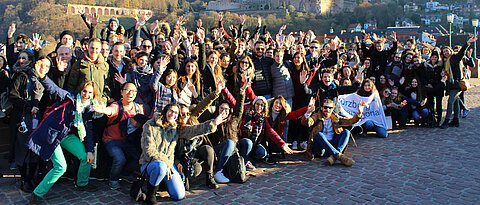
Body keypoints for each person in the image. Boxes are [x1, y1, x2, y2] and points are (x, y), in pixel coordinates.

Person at [27, 60, 99, 204]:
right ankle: (37, 194)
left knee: (86, 157)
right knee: (61, 167)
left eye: (90, 93)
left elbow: (89, 130)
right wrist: (43, 77)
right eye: (84, 91)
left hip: (67, 136)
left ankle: (82, 184)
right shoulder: (69, 97)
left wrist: (90, 150)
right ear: (80, 90)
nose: (86, 94)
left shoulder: (89, 109)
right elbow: (54, 89)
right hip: (53, 135)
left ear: (93, 95)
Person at [139, 103, 226, 203]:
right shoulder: (150, 125)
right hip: (150, 164)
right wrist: (166, 164)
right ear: (165, 111)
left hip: (168, 165)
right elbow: (149, 151)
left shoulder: (175, 128)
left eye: (176, 113)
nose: (172, 114)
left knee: (179, 195)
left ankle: (161, 182)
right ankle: (151, 194)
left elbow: (193, 130)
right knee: (161, 167)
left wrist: (213, 123)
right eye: (171, 111)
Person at [92, 83, 146, 190]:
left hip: (128, 141)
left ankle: (124, 174)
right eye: (127, 90)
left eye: (133, 91)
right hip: (112, 139)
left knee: (139, 158)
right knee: (120, 159)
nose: (131, 93)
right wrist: (103, 110)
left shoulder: (138, 108)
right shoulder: (117, 106)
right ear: (121, 92)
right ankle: (113, 179)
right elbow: (110, 111)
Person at [9, 55, 46, 193]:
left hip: (39, 118)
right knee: (22, 149)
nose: (44, 68)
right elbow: (12, 95)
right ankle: (24, 179)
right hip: (23, 118)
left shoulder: (44, 79)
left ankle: (32, 177)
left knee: (35, 149)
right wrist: (28, 106)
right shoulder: (21, 76)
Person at [302, 98, 365, 166]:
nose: (328, 110)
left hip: (332, 145)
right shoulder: (316, 116)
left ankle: (335, 156)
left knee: (346, 132)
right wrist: (308, 112)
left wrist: (359, 113)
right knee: (319, 135)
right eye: (325, 107)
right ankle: (339, 156)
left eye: (330, 108)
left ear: (333, 109)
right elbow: (307, 123)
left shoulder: (335, 117)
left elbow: (350, 121)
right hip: (320, 150)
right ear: (321, 108)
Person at [238, 96, 293, 170]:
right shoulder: (247, 113)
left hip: (254, 144)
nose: (259, 107)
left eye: (262, 105)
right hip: (243, 142)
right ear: (254, 104)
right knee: (248, 142)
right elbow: (235, 102)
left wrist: (282, 144)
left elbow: (271, 131)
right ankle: (246, 161)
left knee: (262, 152)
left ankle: (249, 156)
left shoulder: (262, 118)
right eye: (257, 104)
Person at [440, 37, 477, 129]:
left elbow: (462, 52)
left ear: (450, 51)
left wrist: (467, 43)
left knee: (450, 101)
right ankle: (455, 120)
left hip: (457, 83)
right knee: (456, 102)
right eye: (444, 52)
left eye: (447, 51)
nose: (446, 53)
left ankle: (446, 120)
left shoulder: (455, 58)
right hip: (451, 84)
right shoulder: (446, 62)